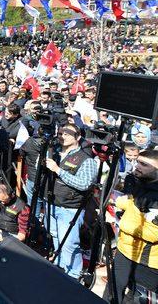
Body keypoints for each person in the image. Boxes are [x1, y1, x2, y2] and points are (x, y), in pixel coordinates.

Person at [44, 124, 99, 279]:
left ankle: (74, 275)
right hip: (51, 202)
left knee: (69, 244)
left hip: (70, 208)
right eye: (61, 133)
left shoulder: (86, 160)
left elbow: (84, 184)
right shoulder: (54, 152)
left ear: (78, 137)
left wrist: (58, 170)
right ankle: (61, 266)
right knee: (54, 235)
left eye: (68, 134)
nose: (63, 136)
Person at [110, 149, 158, 302]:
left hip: (148, 262)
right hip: (124, 251)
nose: (137, 166)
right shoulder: (140, 183)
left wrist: (122, 223)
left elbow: (153, 233)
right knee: (112, 293)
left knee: (136, 299)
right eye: (137, 162)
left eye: (144, 164)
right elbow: (131, 202)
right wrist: (114, 200)